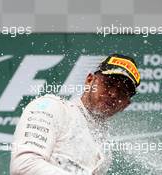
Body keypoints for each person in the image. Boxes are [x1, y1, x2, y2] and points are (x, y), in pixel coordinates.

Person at [10, 53, 141, 175]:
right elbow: (23, 165)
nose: (113, 94)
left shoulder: (104, 149)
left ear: (125, 105)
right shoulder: (52, 107)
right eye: (109, 83)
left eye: (122, 92)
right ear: (90, 80)